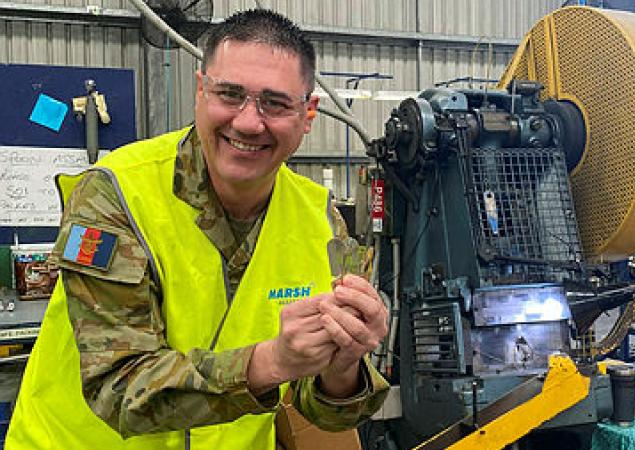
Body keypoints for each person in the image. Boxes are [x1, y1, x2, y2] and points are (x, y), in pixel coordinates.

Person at [7, 9, 389, 450]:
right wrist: (273, 361)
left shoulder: (319, 219)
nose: (248, 122)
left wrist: (341, 365)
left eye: (275, 103)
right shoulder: (116, 195)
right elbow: (119, 391)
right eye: (230, 94)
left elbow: (319, 409)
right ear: (201, 91)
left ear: (308, 114)